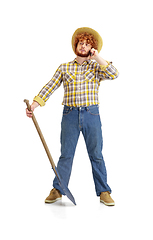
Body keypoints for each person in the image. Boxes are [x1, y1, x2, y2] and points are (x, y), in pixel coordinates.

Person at [26, 27, 119, 206]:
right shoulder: (64, 67)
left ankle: (104, 191)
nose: (83, 46)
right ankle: (58, 189)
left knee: (96, 154)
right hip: (69, 114)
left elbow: (114, 74)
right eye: (81, 43)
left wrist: (97, 56)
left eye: (87, 44)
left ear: (92, 48)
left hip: (92, 114)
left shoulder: (97, 66)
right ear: (76, 45)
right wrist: (34, 105)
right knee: (66, 155)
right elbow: (50, 87)